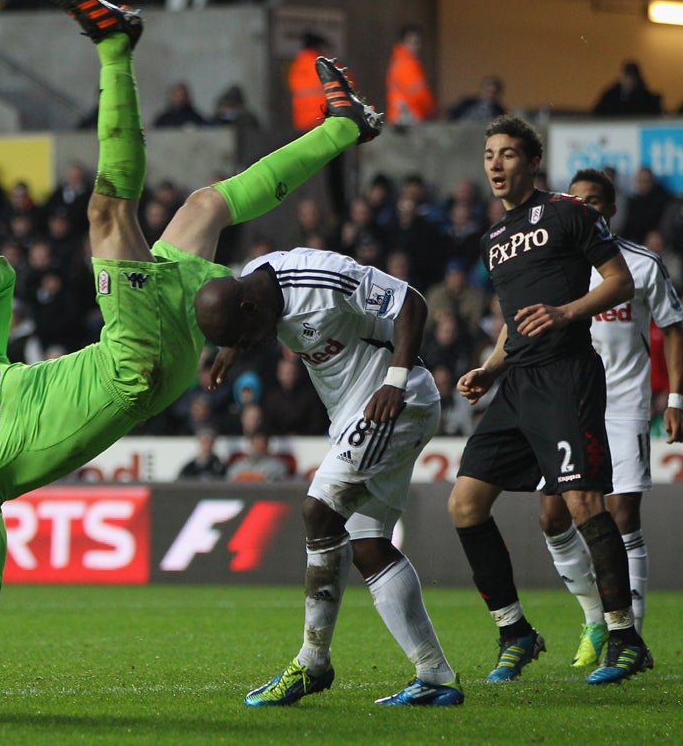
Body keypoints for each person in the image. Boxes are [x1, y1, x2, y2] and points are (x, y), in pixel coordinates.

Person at [0, 0, 382, 656]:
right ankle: (115, 45)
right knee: (106, 213)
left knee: (206, 206)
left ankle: (345, 125)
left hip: (155, 354)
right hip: (133, 367)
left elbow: (1, 277)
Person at [194, 244, 462, 703]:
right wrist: (231, 348)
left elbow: (411, 303)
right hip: (350, 415)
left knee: (319, 510)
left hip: (394, 401)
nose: (254, 343)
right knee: (369, 545)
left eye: (247, 334)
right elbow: (244, 325)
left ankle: (312, 662)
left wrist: (393, 382)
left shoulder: (322, 280)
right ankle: (435, 676)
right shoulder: (251, 286)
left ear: (250, 306)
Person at [448, 114, 648, 685]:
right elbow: (514, 323)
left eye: (508, 154)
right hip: (517, 384)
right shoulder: (494, 238)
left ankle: (624, 636)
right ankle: (515, 631)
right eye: (489, 154)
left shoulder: (569, 212)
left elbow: (618, 282)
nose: (495, 164)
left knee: (584, 504)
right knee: (464, 505)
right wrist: (490, 368)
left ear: (532, 162)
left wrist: (564, 312)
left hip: (566, 374)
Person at [537, 168, 683, 668]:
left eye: (595, 202)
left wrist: (676, 399)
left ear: (612, 210)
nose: (587, 209)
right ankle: (596, 619)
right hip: (568, 403)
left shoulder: (641, 265)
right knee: (552, 517)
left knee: (622, 516)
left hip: (623, 406)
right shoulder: (556, 265)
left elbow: (674, 325)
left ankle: (631, 642)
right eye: (578, 202)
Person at [385, 24, 437, 125]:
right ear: (403, 43)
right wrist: (432, 110)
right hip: (409, 117)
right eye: (412, 43)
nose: (414, 47)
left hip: (400, 116)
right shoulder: (407, 64)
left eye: (417, 43)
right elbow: (419, 94)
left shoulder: (398, 61)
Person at [592, 61, 662, 117]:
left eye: (632, 78)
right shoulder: (610, 96)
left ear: (637, 80)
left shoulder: (646, 98)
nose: (629, 81)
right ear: (622, 78)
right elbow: (597, 114)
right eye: (627, 77)